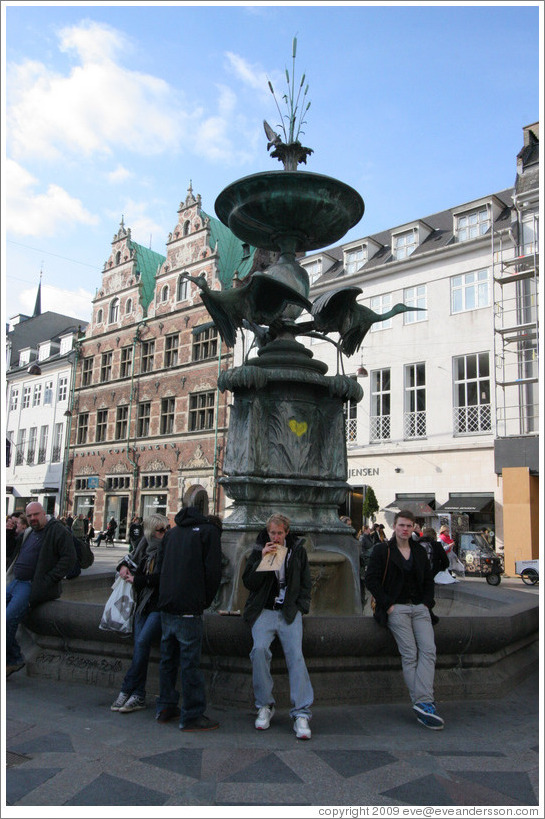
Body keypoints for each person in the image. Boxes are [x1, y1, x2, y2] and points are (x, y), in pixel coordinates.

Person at [364, 509, 444, 730]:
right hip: (396, 608)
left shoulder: (418, 551)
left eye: (409, 526)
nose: (405, 529)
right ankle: (425, 703)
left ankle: (422, 702)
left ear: (413, 528)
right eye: (401, 525)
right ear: (394, 527)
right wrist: (388, 605)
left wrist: (427, 604)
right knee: (410, 654)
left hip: (419, 608)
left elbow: (428, 580)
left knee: (428, 650)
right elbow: (370, 579)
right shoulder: (382, 550)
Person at [242, 513, 313, 740]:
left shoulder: (297, 550)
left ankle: (301, 712)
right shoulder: (260, 547)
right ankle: (265, 705)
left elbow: (305, 582)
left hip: (289, 612)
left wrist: (301, 606)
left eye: (279, 533)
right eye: (272, 533)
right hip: (265, 611)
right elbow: (249, 583)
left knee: (296, 656)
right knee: (259, 650)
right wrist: (262, 560)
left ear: (287, 532)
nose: (276, 537)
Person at [154, 506, 222, 730]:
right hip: (189, 607)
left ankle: (165, 706)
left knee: (167, 660)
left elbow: (160, 568)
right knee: (190, 663)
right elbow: (213, 571)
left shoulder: (171, 533)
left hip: (167, 606)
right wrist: (205, 601)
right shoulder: (208, 532)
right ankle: (191, 715)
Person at [6, 502, 77, 678]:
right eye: (29, 516)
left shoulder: (57, 530)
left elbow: (69, 558)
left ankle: (14, 659)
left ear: (44, 513)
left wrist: (47, 580)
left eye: (36, 514)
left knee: (8, 620)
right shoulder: (29, 532)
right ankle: (12, 656)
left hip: (31, 585)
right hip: (16, 581)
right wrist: (8, 532)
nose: (32, 518)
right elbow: (10, 551)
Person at [110, 514, 170, 714]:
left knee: (143, 643)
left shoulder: (168, 548)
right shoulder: (144, 545)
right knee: (139, 648)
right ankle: (138, 695)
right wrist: (124, 568)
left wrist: (137, 580)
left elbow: (162, 578)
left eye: (167, 529)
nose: (165, 533)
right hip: (143, 604)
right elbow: (128, 560)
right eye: (161, 530)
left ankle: (127, 689)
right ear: (150, 532)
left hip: (159, 605)